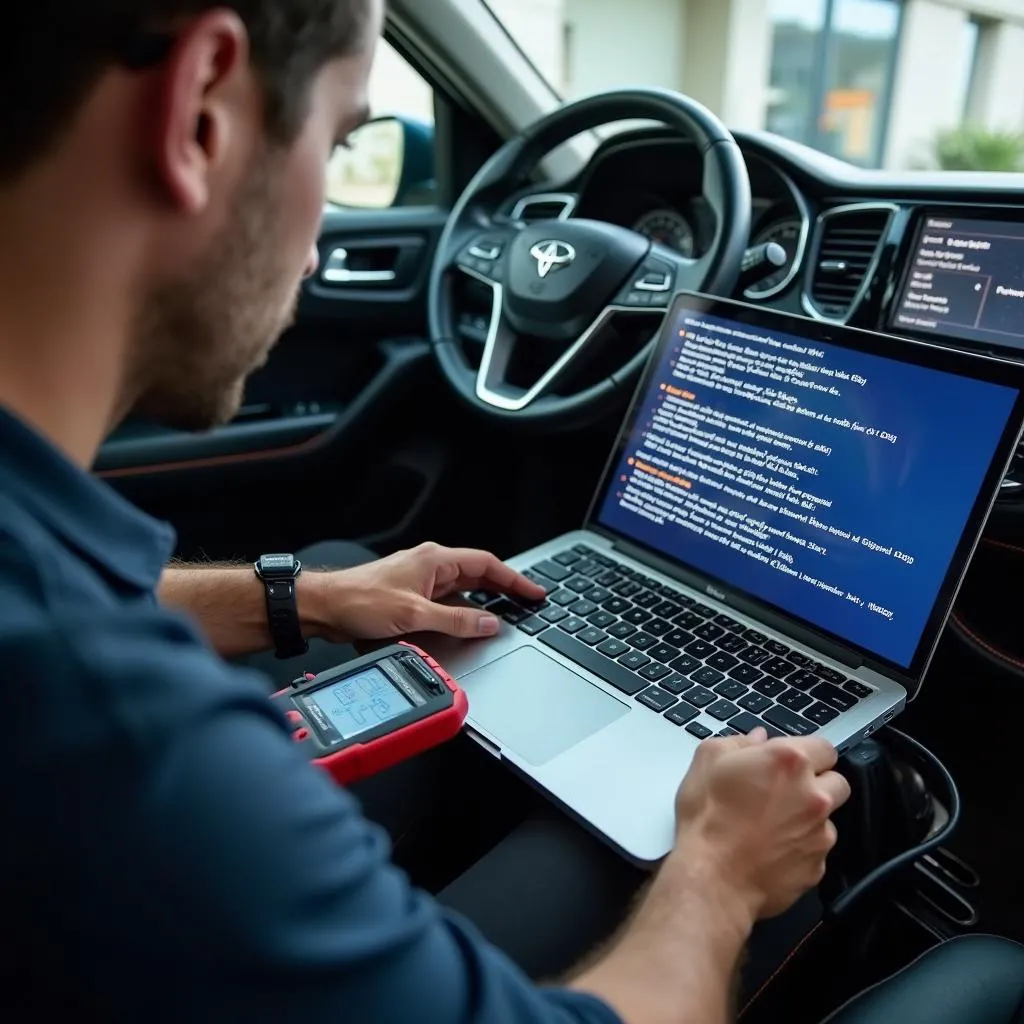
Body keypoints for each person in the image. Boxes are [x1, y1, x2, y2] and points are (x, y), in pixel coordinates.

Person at [0, 2, 992, 1021]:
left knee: (346, 562)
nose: (316, 248)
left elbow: (80, 592)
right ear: (200, 111)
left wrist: (298, 592)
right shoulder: (124, 737)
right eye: (341, 144)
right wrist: (720, 872)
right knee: (852, 876)